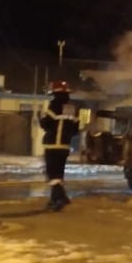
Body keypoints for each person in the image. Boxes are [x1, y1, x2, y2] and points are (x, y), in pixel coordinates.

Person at [40, 80, 80, 211]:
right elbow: (75, 129)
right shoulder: (72, 108)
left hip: (52, 145)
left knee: (52, 174)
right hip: (65, 146)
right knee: (58, 174)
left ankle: (60, 198)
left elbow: (45, 124)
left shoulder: (53, 106)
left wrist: (42, 119)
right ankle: (54, 200)